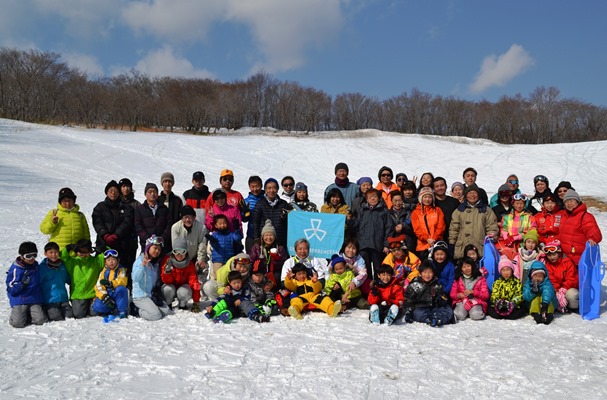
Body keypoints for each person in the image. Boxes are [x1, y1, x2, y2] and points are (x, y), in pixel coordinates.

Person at [350, 188, 393, 279]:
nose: (372, 199)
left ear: (379, 198)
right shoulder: (362, 211)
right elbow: (355, 226)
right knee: (365, 269)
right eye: (370, 197)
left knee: (378, 267)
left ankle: (379, 286)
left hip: (377, 244)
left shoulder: (384, 211)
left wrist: (386, 244)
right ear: (366, 199)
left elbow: (389, 229)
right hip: (363, 245)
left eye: (374, 196)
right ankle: (367, 288)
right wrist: (348, 220)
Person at [449, 184, 499, 260]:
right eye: (469, 193)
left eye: (474, 193)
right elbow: (454, 229)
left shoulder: (486, 210)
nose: (472, 195)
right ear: (466, 195)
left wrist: (490, 240)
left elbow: (492, 227)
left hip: (480, 248)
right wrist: (452, 243)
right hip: (462, 247)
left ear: (478, 195)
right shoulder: (459, 210)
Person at [131, 235, 174, 321]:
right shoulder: (140, 261)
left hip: (151, 296)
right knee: (156, 315)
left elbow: (156, 281)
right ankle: (136, 309)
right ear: (148, 248)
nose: (157, 251)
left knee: (167, 312)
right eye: (155, 248)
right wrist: (142, 266)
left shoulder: (155, 263)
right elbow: (135, 278)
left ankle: (152, 306)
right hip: (140, 297)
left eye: (159, 249)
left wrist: (156, 291)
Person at [6, 242, 47, 328]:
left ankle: (27, 314)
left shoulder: (36, 266)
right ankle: (19, 315)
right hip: (20, 299)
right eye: (28, 256)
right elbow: (11, 289)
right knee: (18, 323)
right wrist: (22, 284)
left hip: (34, 299)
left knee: (40, 320)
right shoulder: (16, 269)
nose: (32, 259)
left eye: (34, 255)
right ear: (22, 257)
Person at [92, 180, 134, 263]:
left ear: (119, 193)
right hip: (103, 243)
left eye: (115, 191)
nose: (113, 193)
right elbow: (97, 222)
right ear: (106, 192)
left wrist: (116, 235)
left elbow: (127, 222)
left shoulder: (127, 208)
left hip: (121, 244)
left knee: (121, 271)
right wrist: (105, 235)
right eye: (111, 191)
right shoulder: (100, 207)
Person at [61, 239, 105, 318]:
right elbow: (63, 257)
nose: (83, 254)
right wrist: (68, 248)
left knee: (95, 313)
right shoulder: (73, 262)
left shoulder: (96, 261)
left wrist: (103, 248)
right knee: (78, 314)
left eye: (86, 251)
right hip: (78, 295)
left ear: (90, 251)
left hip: (93, 294)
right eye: (80, 251)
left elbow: (106, 256)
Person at [204, 271, 270, 323]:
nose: (237, 285)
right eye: (234, 283)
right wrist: (211, 305)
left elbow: (249, 297)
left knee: (245, 303)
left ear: (241, 281)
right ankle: (213, 313)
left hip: (241, 309)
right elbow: (219, 298)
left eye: (238, 282)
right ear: (230, 283)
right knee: (223, 302)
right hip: (232, 308)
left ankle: (256, 315)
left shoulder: (245, 289)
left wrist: (241, 299)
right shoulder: (229, 291)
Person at [402, 261, 453, 327]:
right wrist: (408, 312)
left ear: (433, 273)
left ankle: (436, 318)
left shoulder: (436, 284)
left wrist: (441, 300)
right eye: (425, 272)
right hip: (421, 308)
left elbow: (442, 296)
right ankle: (434, 318)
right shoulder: (414, 285)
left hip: (433, 307)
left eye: (430, 272)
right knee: (417, 314)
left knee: (448, 309)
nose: (427, 275)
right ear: (420, 273)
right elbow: (408, 300)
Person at [559, 189, 602, 266]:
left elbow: (593, 230)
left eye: (571, 200)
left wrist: (592, 238)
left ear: (577, 201)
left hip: (580, 258)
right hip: (566, 259)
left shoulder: (585, 216)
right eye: (566, 201)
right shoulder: (563, 215)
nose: (569, 203)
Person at [160, 237, 202, 313]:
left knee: (184, 291)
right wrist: (167, 272)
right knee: (167, 289)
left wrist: (196, 301)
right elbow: (165, 280)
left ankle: (183, 305)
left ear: (186, 252)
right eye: (176, 251)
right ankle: (168, 303)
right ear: (173, 252)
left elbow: (194, 282)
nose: (179, 255)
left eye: (182, 251)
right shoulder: (167, 261)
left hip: (183, 288)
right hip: (171, 287)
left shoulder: (189, 264)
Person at [251, 178, 292, 248]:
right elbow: (255, 223)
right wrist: (256, 238)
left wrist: (288, 215)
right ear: (265, 190)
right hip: (265, 240)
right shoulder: (260, 204)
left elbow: (289, 223)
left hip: (281, 241)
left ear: (277, 189)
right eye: (269, 188)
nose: (271, 191)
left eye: (274, 188)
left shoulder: (283, 204)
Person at [170, 205, 209, 279]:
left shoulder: (201, 227)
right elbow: (175, 245)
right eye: (185, 217)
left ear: (194, 217)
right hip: (180, 257)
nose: (188, 220)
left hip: (195, 257)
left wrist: (200, 259)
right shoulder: (175, 227)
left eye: (190, 217)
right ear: (182, 218)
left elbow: (202, 244)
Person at [248, 220, 289, 287]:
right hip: (260, 273)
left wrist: (276, 260)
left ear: (274, 236)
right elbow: (251, 261)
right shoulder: (257, 247)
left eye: (271, 235)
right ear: (262, 237)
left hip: (274, 274)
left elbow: (284, 264)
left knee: (277, 276)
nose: (268, 238)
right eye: (266, 235)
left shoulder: (280, 248)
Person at [39, 241, 73, 321]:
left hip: (63, 298)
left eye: (56, 252)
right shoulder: (43, 268)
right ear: (45, 253)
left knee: (70, 316)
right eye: (51, 252)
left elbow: (67, 279)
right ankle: (45, 309)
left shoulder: (62, 265)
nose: (54, 255)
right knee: (56, 317)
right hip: (50, 300)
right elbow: (38, 282)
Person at [91, 249, 129, 320]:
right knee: (97, 307)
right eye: (108, 260)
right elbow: (99, 287)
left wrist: (111, 284)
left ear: (118, 260)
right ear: (105, 262)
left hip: (117, 293)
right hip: (108, 293)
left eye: (113, 259)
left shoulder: (122, 270)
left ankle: (122, 311)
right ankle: (110, 309)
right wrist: (105, 297)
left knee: (121, 289)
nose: (111, 262)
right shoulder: (103, 272)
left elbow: (122, 280)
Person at [134, 182, 172, 254]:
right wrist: (147, 238)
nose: (152, 194)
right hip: (146, 244)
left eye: (154, 192)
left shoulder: (164, 208)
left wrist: (162, 238)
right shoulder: (140, 209)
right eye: (150, 192)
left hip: (162, 245)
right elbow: (138, 226)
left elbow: (169, 224)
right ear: (145, 194)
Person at [543, 239, 579, 313]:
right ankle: (558, 306)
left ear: (559, 253)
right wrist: (557, 291)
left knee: (572, 295)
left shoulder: (567, 262)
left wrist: (564, 289)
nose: (552, 257)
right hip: (557, 290)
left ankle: (573, 308)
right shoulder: (548, 265)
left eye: (554, 254)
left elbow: (572, 278)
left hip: (568, 288)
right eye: (549, 255)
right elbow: (551, 280)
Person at [498, 193, 536, 259]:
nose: (519, 206)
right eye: (517, 203)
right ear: (513, 204)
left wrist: (517, 237)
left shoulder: (529, 217)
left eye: (521, 203)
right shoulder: (506, 217)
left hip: (523, 246)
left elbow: (532, 230)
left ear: (524, 204)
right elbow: (503, 228)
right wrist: (506, 236)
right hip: (509, 246)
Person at [411, 187, 446, 260]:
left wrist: (434, 238)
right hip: (422, 245)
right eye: (425, 197)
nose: (427, 199)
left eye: (430, 197)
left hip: (437, 243)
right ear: (421, 198)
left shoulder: (437, 210)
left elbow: (441, 226)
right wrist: (427, 239)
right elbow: (417, 229)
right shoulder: (416, 212)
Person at [206, 214, 244, 279]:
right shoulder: (215, 235)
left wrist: (237, 229)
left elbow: (238, 238)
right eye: (220, 224)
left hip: (229, 260)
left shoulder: (230, 235)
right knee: (217, 277)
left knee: (229, 276)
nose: (222, 225)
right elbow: (215, 246)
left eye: (224, 223)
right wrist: (213, 241)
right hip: (218, 260)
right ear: (216, 225)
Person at [118, 178, 141, 277]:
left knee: (130, 262)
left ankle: (129, 284)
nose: (126, 189)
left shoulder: (136, 204)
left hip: (132, 238)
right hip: (119, 238)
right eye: (123, 186)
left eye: (128, 186)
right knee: (119, 262)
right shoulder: (116, 203)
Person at [433, 177, 460, 243]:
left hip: (452, 236)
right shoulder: (431, 202)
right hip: (436, 237)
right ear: (433, 188)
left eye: (442, 185)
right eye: (437, 186)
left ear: (446, 186)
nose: (439, 188)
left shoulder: (454, 202)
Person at [244, 176, 265, 252]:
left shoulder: (267, 198)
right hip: (251, 235)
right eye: (252, 187)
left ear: (261, 186)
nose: (255, 189)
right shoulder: (246, 201)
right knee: (251, 259)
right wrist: (245, 214)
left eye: (257, 186)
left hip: (266, 235)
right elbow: (244, 220)